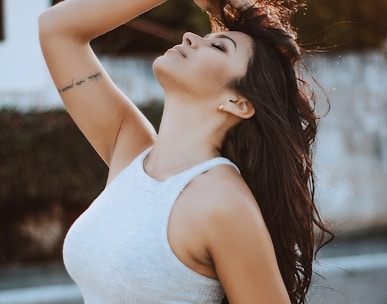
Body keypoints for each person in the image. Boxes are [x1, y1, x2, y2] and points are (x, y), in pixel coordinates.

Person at [39, 0, 332, 303]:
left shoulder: (222, 202)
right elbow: (57, 28)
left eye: (219, 47)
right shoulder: (129, 151)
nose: (190, 37)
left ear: (238, 103)